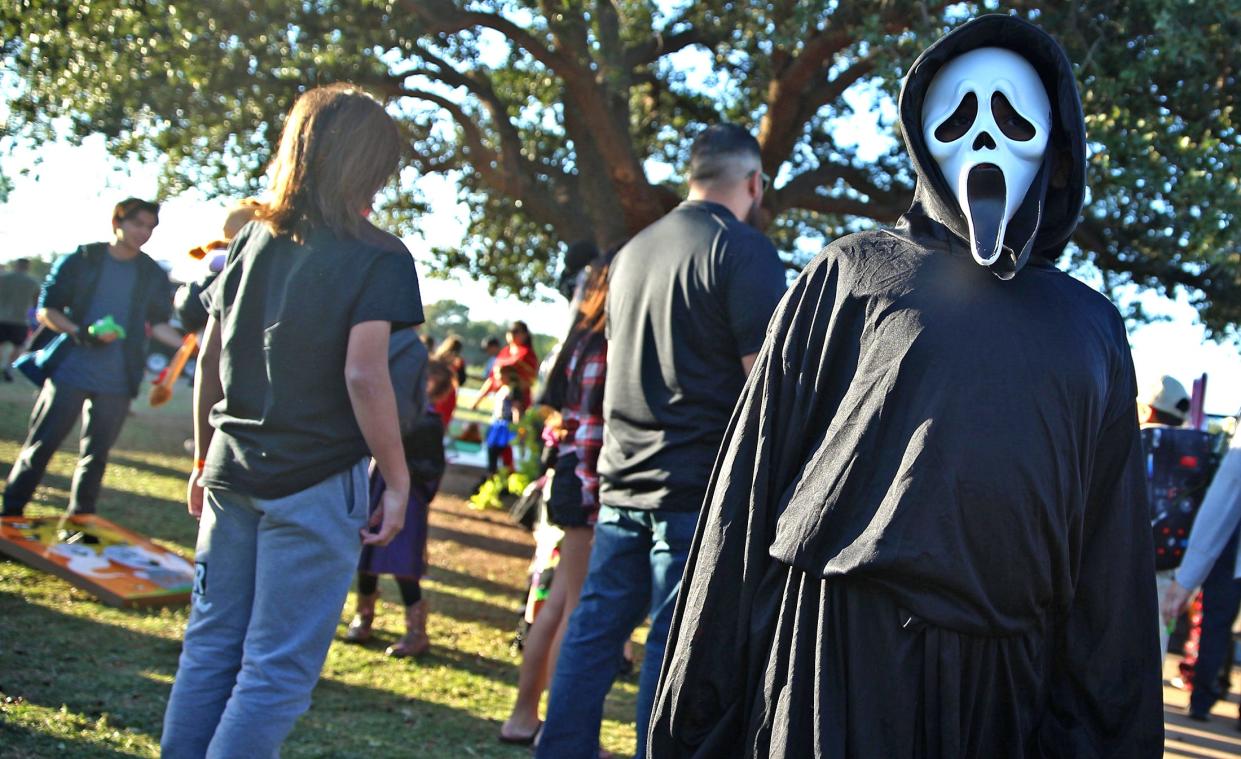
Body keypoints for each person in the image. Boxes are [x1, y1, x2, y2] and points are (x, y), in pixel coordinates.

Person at [649, 15, 1163, 757]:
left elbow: (1109, 562)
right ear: (923, 140)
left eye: (1012, 117)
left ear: (1054, 152)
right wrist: (697, 716)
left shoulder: (1091, 326)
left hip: (1003, 680)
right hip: (835, 656)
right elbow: (749, 487)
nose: (984, 141)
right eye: (958, 117)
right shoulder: (851, 273)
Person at [160, 83, 423, 757]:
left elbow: (212, 356)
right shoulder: (381, 255)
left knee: (209, 649)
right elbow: (365, 373)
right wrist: (395, 480)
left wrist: (200, 457)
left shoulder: (249, 239)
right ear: (370, 166)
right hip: (313, 481)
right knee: (275, 669)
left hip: (231, 470)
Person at [535, 123, 787, 759]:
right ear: (754, 183)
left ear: (692, 176)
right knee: (673, 648)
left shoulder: (630, 253)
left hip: (621, 480)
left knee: (593, 633)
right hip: (696, 491)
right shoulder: (745, 250)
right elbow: (767, 382)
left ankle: (560, 749)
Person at [2, 199, 183, 519]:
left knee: (96, 456)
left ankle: (80, 522)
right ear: (118, 221)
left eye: (151, 228)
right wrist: (81, 332)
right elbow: (47, 310)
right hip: (71, 370)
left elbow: (158, 324)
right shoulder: (83, 258)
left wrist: (191, 345)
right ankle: (10, 514)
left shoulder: (151, 272)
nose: (144, 232)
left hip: (117, 378)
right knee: (42, 445)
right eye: (138, 224)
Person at [501, 252, 612, 746]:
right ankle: (562, 732)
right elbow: (595, 426)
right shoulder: (607, 342)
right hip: (587, 481)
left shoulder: (576, 337)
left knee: (558, 601)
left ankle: (525, 716)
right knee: (577, 608)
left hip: (567, 476)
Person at [345, 336, 449, 659]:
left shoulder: (427, 420)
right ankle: (363, 617)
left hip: (409, 499)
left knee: (404, 564)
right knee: (368, 556)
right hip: (377, 488)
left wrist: (404, 474)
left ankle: (416, 632)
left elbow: (432, 466)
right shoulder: (390, 408)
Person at [1161, 423, 1241, 724]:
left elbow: (1227, 494)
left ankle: (1202, 699)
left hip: (1231, 545)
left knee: (1216, 623)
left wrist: (1187, 577)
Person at [1136, 374, 1192, 656]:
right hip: (1170, 572)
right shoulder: (1197, 452)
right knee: (1154, 651)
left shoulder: (1135, 442)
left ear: (1148, 408)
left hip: (1121, 566)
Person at [472, 320, 538, 412]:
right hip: (502, 398)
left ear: (525, 334)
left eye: (516, 332)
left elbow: (530, 380)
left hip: (519, 401)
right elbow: (492, 379)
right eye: (510, 331)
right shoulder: (505, 351)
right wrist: (477, 401)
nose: (512, 334)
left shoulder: (527, 354)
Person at [0, 258, 41, 381]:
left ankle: (2, 365)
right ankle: (8, 367)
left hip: (2, 317)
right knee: (19, 347)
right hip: (21, 320)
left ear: (16, 265)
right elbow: (36, 303)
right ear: (27, 267)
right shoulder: (33, 283)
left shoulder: (3, 279)